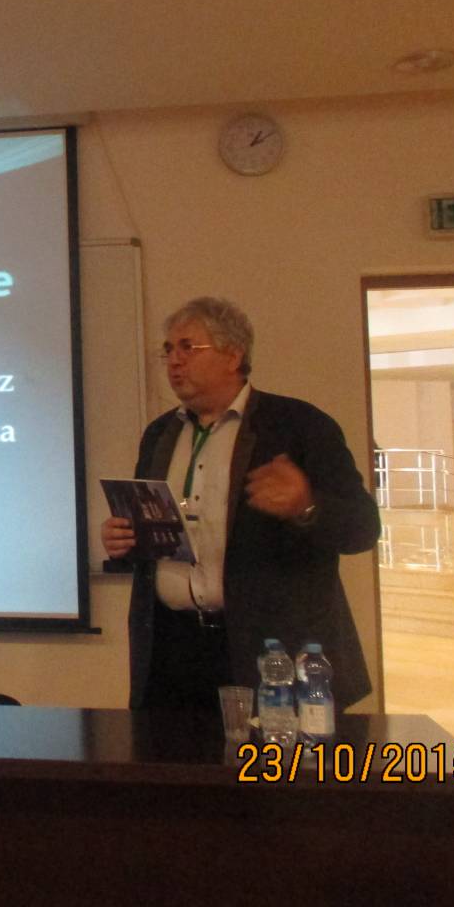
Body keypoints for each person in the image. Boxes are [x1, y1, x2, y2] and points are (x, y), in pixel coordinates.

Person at [102, 297, 380, 711]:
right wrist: (125, 541)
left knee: (264, 757)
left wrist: (306, 505)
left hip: (265, 652)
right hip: (170, 651)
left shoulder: (298, 425)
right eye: (168, 349)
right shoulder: (159, 434)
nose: (173, 360)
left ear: (233, 355)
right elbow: (157, 534)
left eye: (188, 347)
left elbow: (363, 528)